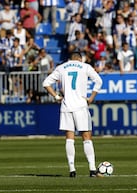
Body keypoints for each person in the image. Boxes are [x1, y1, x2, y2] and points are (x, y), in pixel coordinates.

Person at [42, 49, 103, 178]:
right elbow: (99, 81)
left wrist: (57, 97)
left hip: (66, 106)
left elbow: (46, 83)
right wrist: (91, 97)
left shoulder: (62, 67)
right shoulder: (85, 67)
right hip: (81, 106)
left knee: (70, 138)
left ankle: (72, 170)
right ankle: (92, 169)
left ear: (70, 59)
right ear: (80, 59)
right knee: (86, 137)